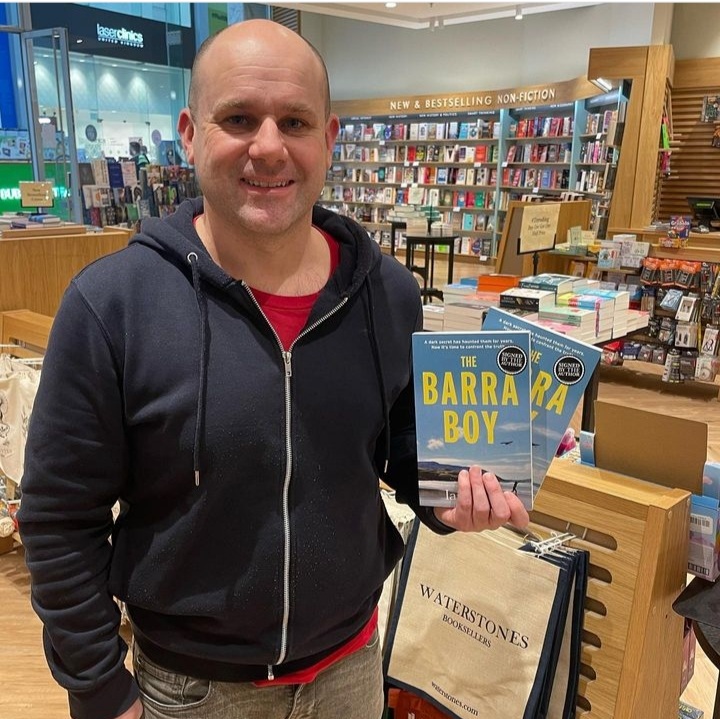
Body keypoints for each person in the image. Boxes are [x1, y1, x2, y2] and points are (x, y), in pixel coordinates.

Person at [18, 19, 529, 719]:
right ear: (190, 134)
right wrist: (102, 691)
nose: (267, 146)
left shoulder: (387, 293)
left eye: (294, 121)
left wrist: (453, 499)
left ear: (329, 138)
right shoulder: (113, 304)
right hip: (193, 693)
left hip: (351, 671)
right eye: (238, 119)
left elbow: (401, 451)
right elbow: (59, 518)